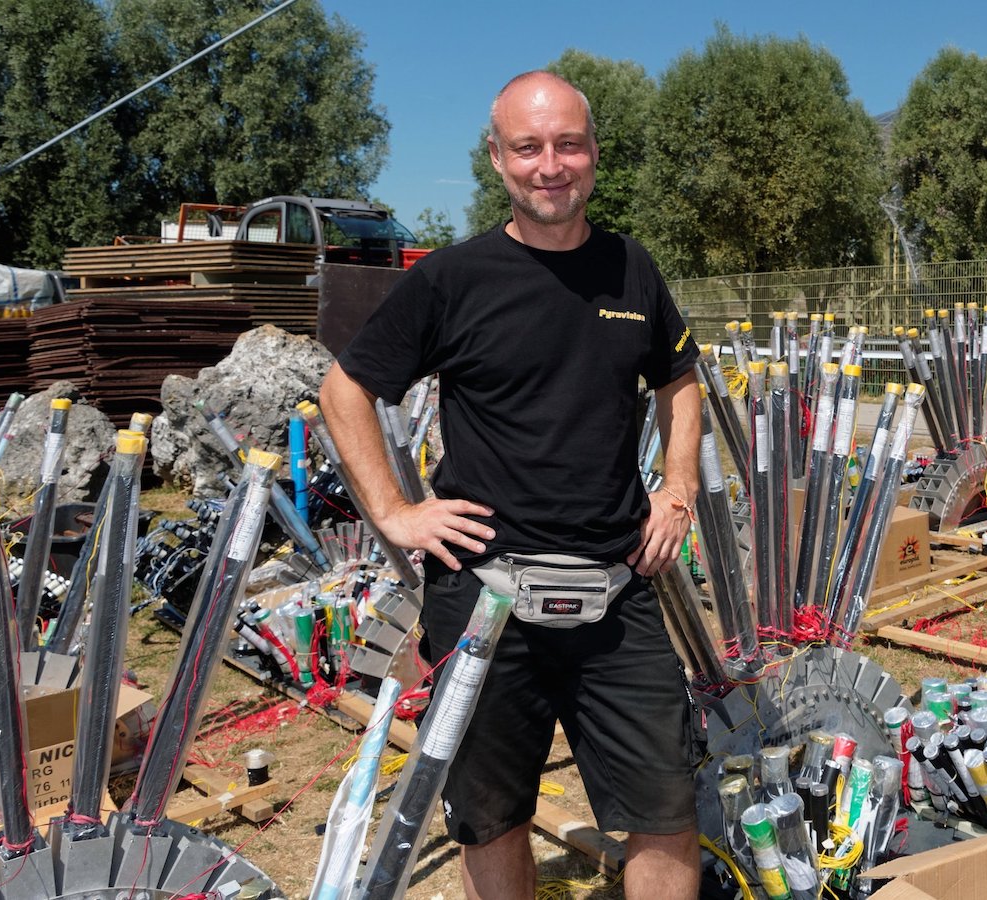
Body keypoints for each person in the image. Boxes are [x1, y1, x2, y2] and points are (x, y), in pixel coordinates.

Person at [319, 70, 702, 900]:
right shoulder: (454, 278)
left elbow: (680, 380)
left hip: (619, 585)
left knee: (668, 805)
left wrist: (677, 490)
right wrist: (395, 512)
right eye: (528, 147)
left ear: (594, 153)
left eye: (568, 144)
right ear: (497, 159)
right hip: (484, 593)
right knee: (489, 815)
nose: (550, 165)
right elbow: (345, 389)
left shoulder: (632, 271)